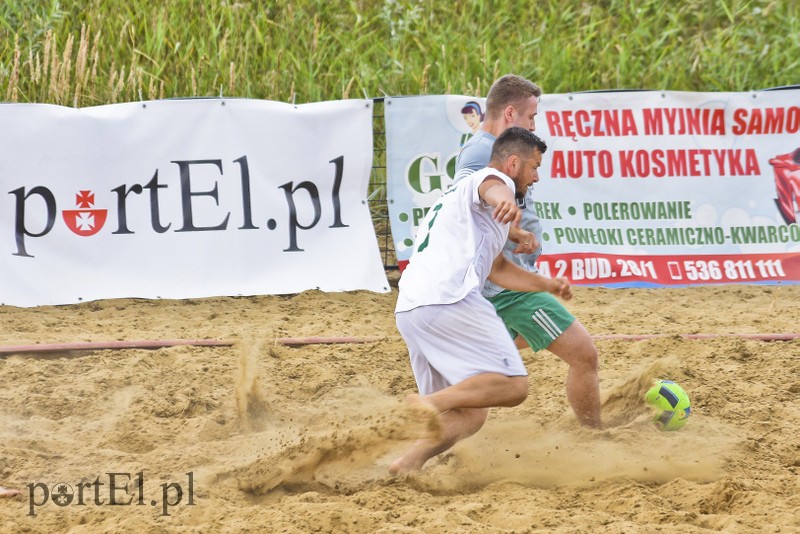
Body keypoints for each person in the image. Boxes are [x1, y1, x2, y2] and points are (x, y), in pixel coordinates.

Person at [391, 127, 572, 474]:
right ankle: (428, 403)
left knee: (470, 413)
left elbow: (498, 269)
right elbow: (493, 187)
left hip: (413, 307)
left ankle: (406, 464)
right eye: (534, 167)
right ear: (514, 162)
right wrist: (503, 199)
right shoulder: (489, 179)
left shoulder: (461, 202)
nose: (536, 177)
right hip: (449, 298)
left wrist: (546, 284)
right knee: (513, 385)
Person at [454, 74, 603, 429]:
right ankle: (595, 440)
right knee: (584, 355)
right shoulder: (483, 152)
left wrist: (514, 231)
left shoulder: (491, 150)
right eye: (531, 117)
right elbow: (466, 202)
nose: (535, 126)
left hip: (497, 287)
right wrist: (515, 231)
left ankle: (422, 441)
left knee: (474, 407)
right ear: (509, 114)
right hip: (508, 292)